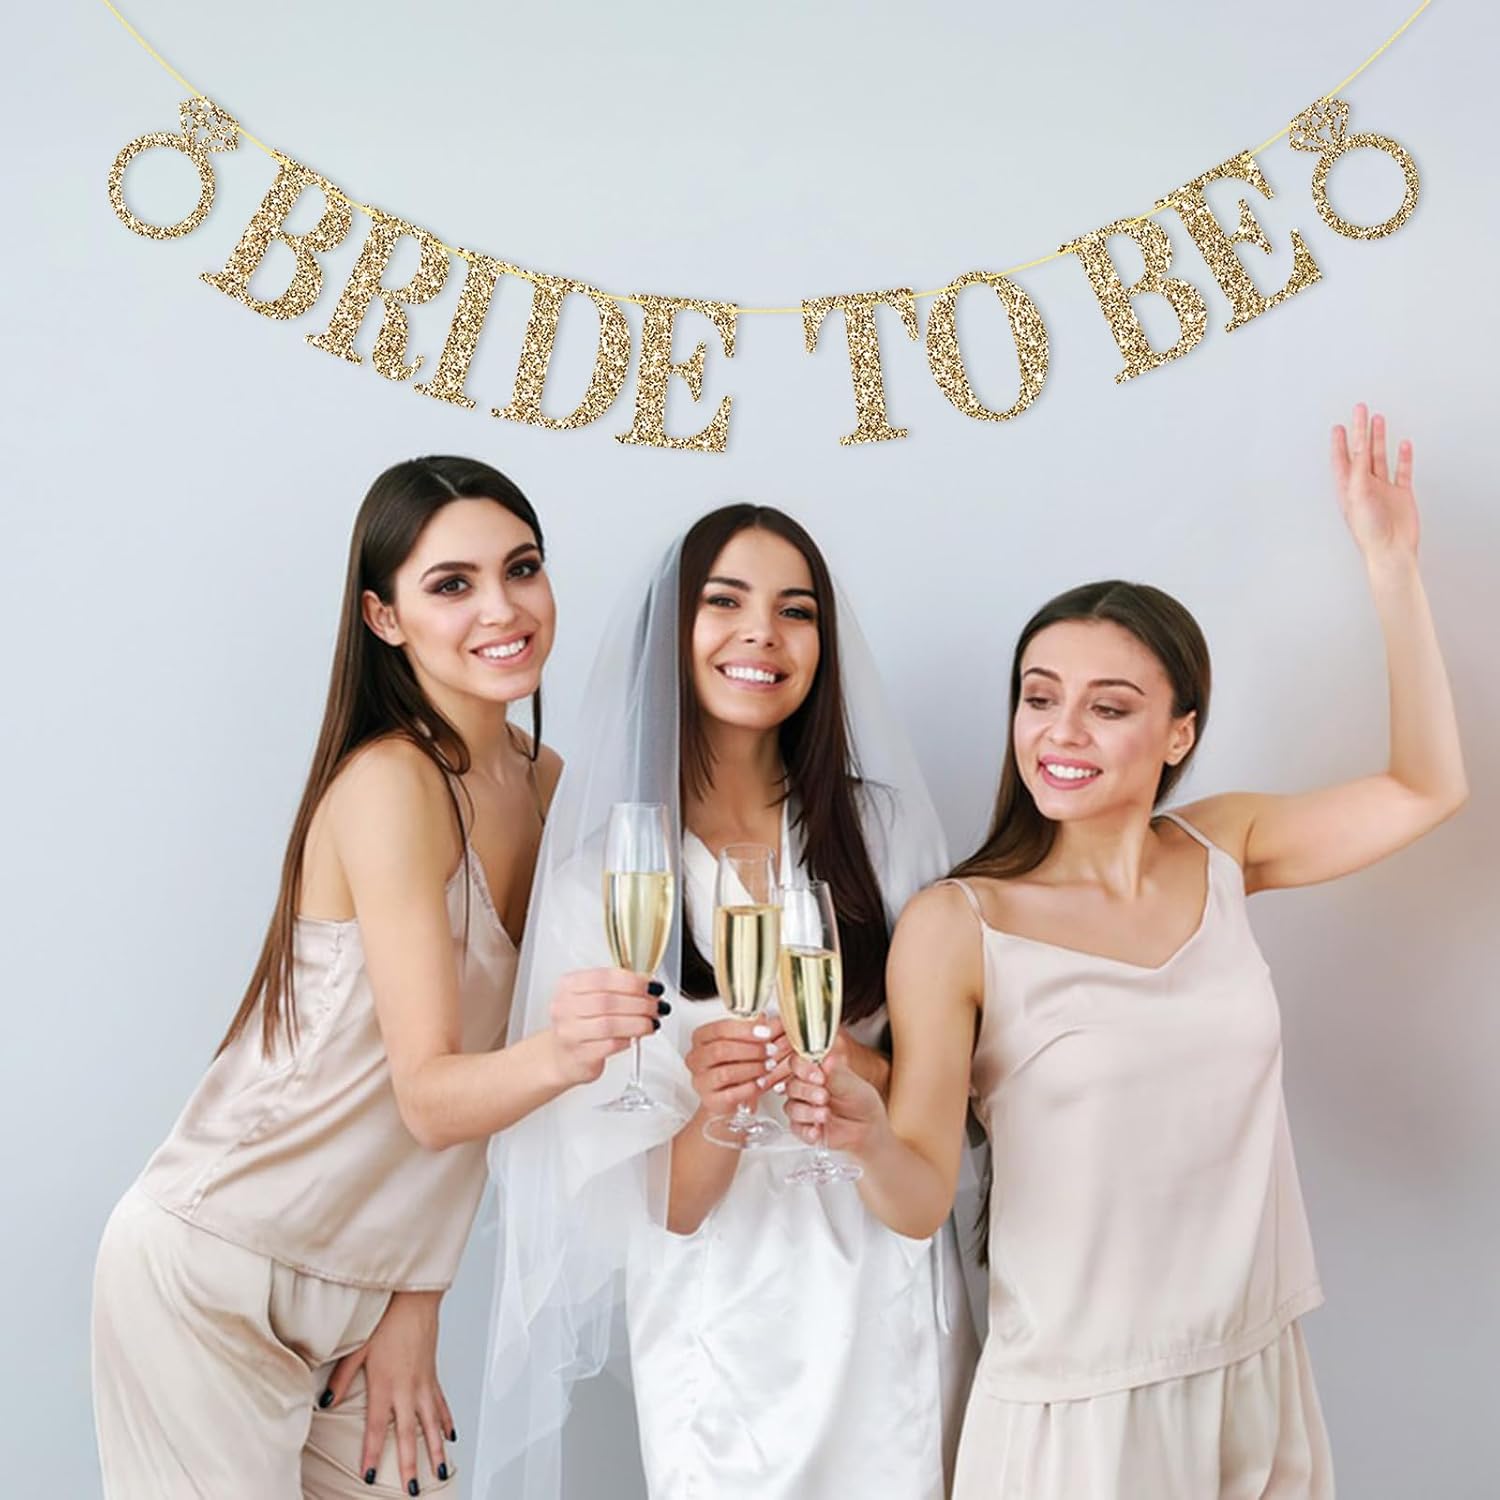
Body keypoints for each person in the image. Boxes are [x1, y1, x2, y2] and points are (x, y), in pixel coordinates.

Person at [786, 406, 1467, 1498]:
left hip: (1255, 1375)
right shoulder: (958, 925)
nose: (1062, 733)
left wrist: (1392, 566)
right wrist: (864, 1133)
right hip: (1078, 1421)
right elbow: (919, 1198)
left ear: (1179, 733)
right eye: (1040, 698)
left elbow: (1427, 788)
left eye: (1109, 708)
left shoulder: (1224, 846)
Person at [91, 457, 663, 1498]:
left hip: (366, 1288)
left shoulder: (548, 786)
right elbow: (433, 1096)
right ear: (383, 617)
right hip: (218, 1264)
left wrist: (414, 1296)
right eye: (451, 584)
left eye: (521, 568)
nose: (502, 608)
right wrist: (572, 1050)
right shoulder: (392, 783)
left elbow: (488, 1095)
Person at [474, 505, 979, 1500]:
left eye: (795, 611)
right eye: (725, 602)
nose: (762, 634)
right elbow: (664, 1206)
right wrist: (716, 1106)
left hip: (888, 1298)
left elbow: (946, 1097)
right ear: (675, 630)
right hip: (719, 1341)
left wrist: (850, 1067)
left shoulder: (886, 837)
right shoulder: (597, 885)